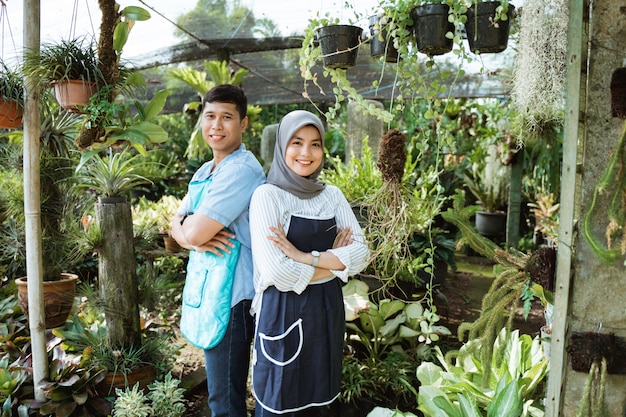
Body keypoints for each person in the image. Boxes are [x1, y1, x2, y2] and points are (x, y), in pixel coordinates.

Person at [249, 110, 370, 416]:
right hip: (282, 314)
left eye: (315, 144)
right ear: (282, 146)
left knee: (320, 405)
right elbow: (277, 271)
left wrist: (304, 257)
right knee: (279, 403)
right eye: (297, 142)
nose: (306, 153)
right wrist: (334, 265)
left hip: (326, 313)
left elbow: (361, 253)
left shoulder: (332, 195)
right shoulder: (267, 197)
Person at [170, 84, 265, 417]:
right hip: (213, 290)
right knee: (222, 396)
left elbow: (189, 227)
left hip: (233, 297)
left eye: (227, 117)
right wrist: (189, 234)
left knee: (225, 401)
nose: (216, 126)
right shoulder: (206, 170)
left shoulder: (240, 170)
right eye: (210, 116)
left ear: (244, 124)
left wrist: (189, 233)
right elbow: (178, 222)